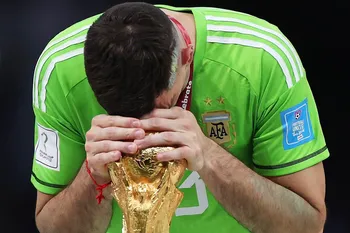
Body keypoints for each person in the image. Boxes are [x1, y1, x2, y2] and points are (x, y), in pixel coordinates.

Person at [31, 2, 329, 233]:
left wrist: (210, 157)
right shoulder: (60, 70)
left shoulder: (261, 59)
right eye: (121, 113)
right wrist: (91, 176)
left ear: (187, 55)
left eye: (161, 107)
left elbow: (307, 224)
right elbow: (50, 226)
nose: (144, 130)